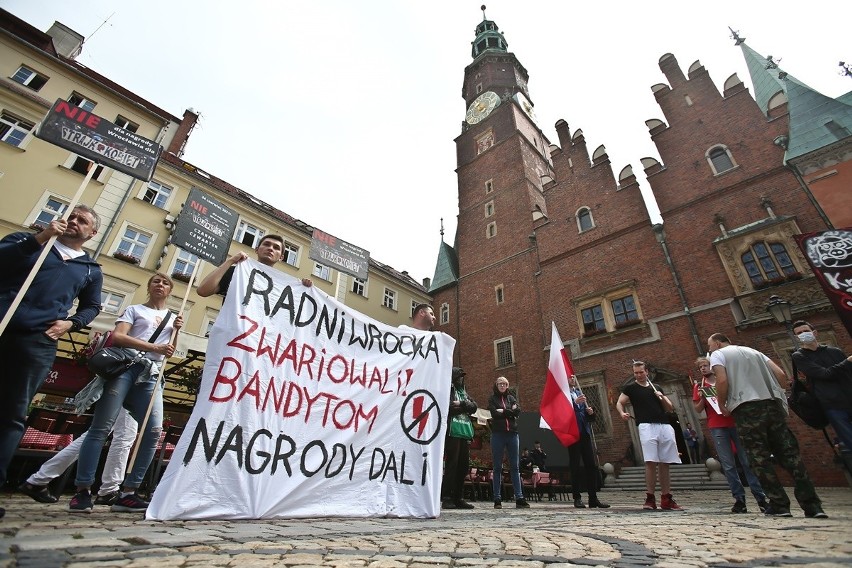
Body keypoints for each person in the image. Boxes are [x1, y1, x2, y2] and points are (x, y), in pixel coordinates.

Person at [0, 205, 103, 519]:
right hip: (3, 324)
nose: (73, 222)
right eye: (71, 216)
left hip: (38, 342)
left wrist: (71, 324)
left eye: (82, 220)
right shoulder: (27, 242)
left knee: (13, 414)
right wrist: (40, 238)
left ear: (92, 233)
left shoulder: (89, 268)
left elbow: (92, 306)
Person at [70, 273, 183, 514]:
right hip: (127, 368)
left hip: (151, 375)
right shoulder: (134, 309)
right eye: (156, 281)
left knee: (153, 432)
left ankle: (130, 492)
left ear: (170, 290)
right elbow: (118, 337)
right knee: (101, 427)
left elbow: (169, 352)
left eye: (165, 283)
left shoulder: (174, 318)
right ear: (149, 286)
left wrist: (176, 332)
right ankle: (82, 490)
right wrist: (154, 347)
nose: (160, 285)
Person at [708, 333, 827, 518]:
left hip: (746, 408)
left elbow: (722, 380)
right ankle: (812, 505)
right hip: (771, 405)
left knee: (759, 458)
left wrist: (722, 403)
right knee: (789, 454)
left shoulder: (718, 354)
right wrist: (779, 393)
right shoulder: (755, 352)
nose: (709, 351)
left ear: (716, 343)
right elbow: (780, 374)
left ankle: (780, 505)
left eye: (710, 347)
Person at [693, 356, 767, 513]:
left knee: (747, 461)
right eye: (701, 367)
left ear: (713, 366)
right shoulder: (699, 386)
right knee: (728, 464)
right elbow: (698, 409)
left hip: (734, 422)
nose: (703, 369)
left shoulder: (724, 381)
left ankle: (760, 496)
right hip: (716, 425)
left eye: (706, 365)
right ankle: (739, 498)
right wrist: (702, 397)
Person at [18, 409, 137, 505]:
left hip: (121, 388)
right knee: (121, 437)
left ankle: (40, 478)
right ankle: (108, 490)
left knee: (97, 434)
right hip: (132, 386)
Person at [615, 361, 683, 510]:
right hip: (646, 425)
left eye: (641, 372)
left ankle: (666, 497)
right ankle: (650, 497)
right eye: (635, 373)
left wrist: (662, 397)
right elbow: (619, 402)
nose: (638, 375)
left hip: (664, 425)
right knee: (651, 461)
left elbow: (670, 408)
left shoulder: (656, 387)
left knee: (665, 462)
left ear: (647, 372)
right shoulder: (630, 388)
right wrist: (622, 412)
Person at [790, 320, 852, 454]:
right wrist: (847, 361)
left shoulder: (835, 351)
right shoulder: (799, 356)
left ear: (815, 333)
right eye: (799, 333)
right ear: (797, 338)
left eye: (806, 331)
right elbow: (824, 374)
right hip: (832, 406)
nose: (803, 334)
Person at [197, 234, 312, 299]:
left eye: (276, 247)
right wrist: (231, 261)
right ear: (257, 250)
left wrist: (303, 289)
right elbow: (203, 290)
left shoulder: (284, 287)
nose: (271, 248)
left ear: (281, 257)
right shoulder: (237, 272)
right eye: (266, 244)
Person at [488, 376, 530, 509]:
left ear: (507, 385)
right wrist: (510, 412)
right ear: (496, 385)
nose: (502, 386)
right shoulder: (492, 399)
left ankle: (519, 497)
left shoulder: (511, 398)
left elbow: (517, 411)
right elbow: (494, 414)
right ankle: (497, 499)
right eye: (500, 383)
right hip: (498, 434)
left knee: (515, 467)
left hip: (512, 434)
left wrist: (505, 411)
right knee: (497, 467)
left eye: (504, 384)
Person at [568, 382, 610, 508]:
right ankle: (577, 497)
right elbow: (562, 412)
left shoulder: (578, 392)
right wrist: (575, 403)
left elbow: (587, 416)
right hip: (573, 433)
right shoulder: (563, 395)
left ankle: (593, 498)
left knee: (591, 465)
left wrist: (590, 412)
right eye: (569, 377)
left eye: (573, 377)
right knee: (575, 466)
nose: (572, 378)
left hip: (585, 432)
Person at [441, 366, 477, 509]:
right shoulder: (448, 391)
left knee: (463, 466)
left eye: (462, 377)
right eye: (459, 376)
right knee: (452, 465)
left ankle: (458, 497)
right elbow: (448, 407)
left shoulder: (463, 393)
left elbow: (474, 406)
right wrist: (465, 407)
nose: (461, 379)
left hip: (464, 432)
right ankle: (447, 497)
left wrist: (461, 404)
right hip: (452, 432)